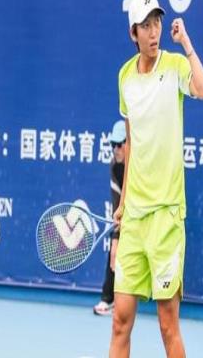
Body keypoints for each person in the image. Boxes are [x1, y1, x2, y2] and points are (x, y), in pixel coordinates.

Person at [109, 0, 203, 358]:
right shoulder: (125, 77)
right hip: (134, 219)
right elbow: (132, 145)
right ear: (133, 33)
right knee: (120, 320)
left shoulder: (175, 65)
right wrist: (123, 204)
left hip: (166, 217)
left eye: (157, 24)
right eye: (145, 26)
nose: (154, 32)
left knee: (168, 325)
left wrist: (187, 45)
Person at [93, 120, 126, 316]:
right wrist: (115, 240)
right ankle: (108, 298)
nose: (116, 149)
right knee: (115, 249)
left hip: (150, 215)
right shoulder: (114, 166)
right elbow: (117, 204)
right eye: (113, 144)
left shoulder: (141, 166)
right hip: (128, 216)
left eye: (120, 144)